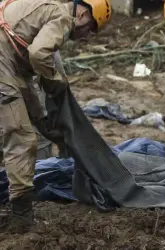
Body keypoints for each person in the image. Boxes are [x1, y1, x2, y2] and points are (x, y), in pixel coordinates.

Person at [0, 0, 111, 233]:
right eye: (91, 27)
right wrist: (55, 83)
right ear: (82, 13)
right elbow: (39, 55)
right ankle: (21, 216)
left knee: (14, 129)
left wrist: (42, 121)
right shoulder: (62, 17)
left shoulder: (45, 12)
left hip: (6, 64)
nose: (87, 36)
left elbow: (25, 83)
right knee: (21, 138)